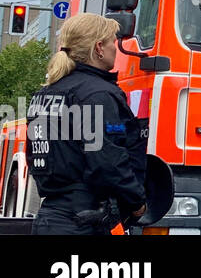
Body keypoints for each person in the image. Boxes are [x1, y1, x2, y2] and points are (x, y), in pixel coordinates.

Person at [25, 13, 147, 235]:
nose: (116, 47)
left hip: (48, 219)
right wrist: (137, 203)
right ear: (99, 47)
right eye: (113, 41)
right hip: (84, 222)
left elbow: (34, 156)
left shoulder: (45, 93)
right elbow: (107, 160)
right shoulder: (98, 94)